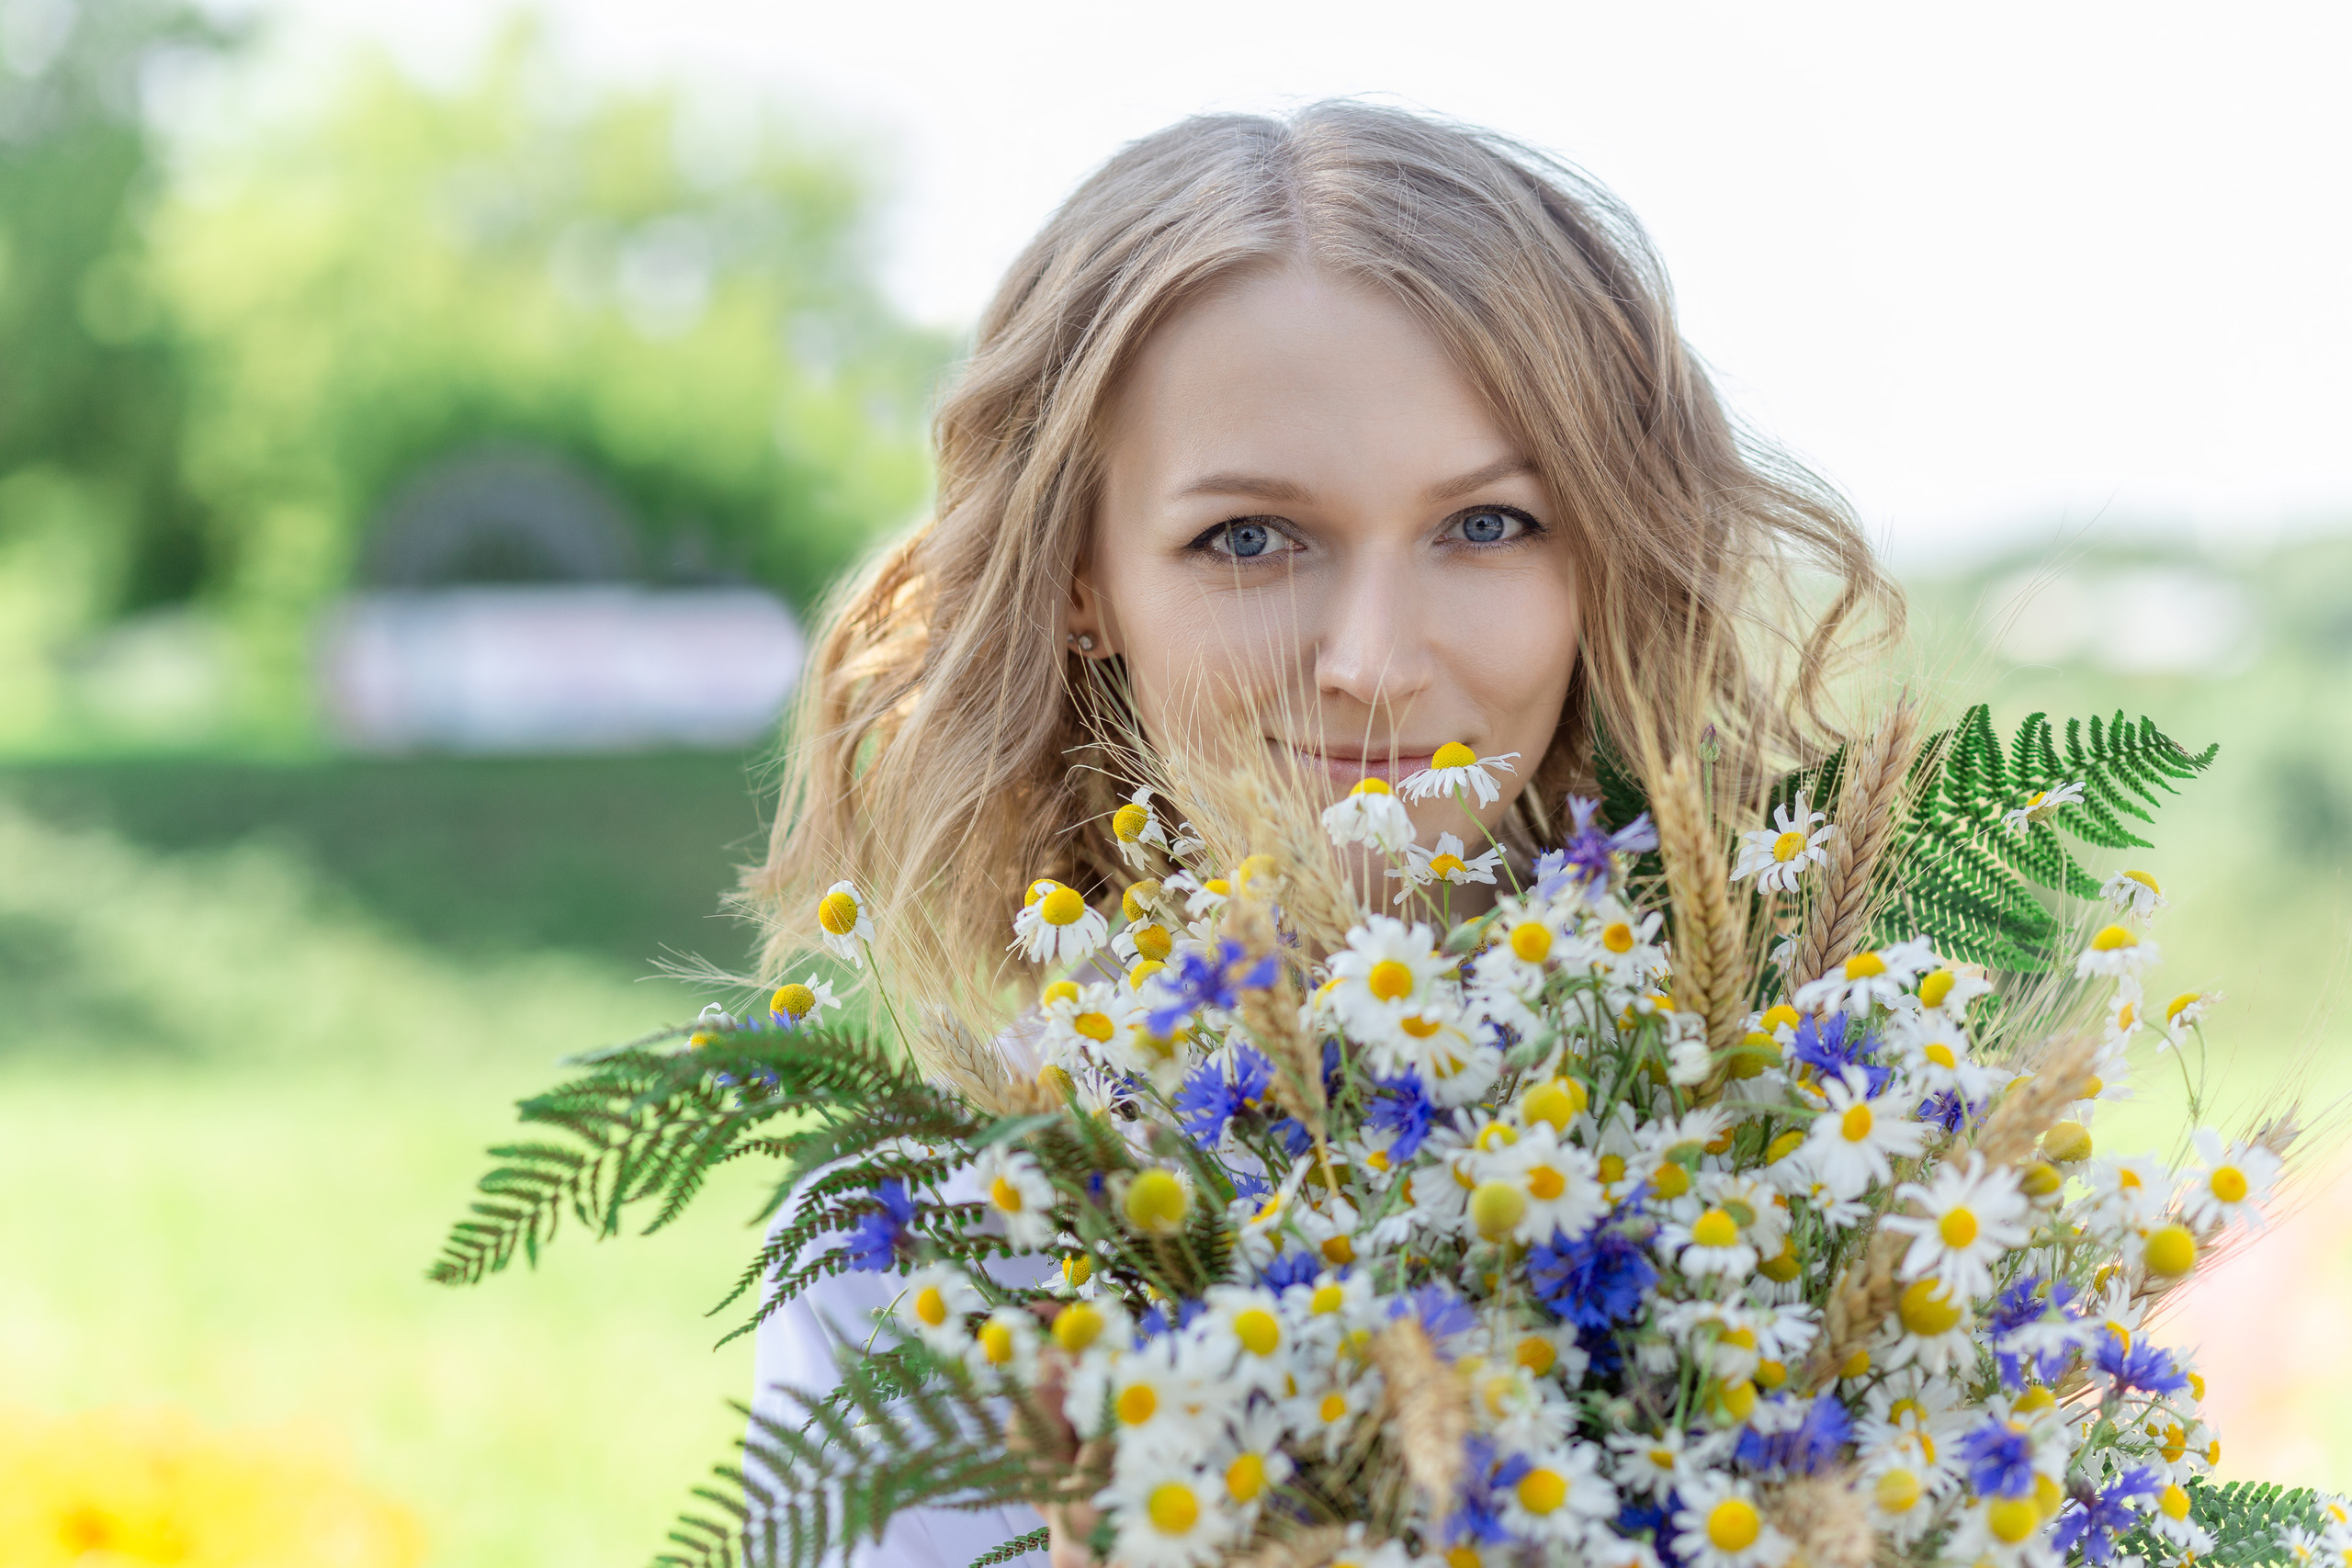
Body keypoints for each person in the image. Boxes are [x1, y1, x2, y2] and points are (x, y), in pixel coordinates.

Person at [743, 100, 1900, 1566]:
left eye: (1486, 526)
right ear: (1078, 580)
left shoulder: (1820, 1152)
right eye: (1249, 539)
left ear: (1602, 558)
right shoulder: (927, 1237)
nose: (1372, 657)